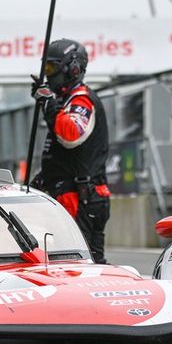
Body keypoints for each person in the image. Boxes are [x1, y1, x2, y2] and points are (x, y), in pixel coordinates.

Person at [30, 38, 112, 263]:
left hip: (81, 196)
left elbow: (70, 135)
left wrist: (48, 105)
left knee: (81, 264)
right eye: (45, 68)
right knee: (69, 262)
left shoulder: (81, 100)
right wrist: (46, 176)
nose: (47, 75)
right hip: (69, 193)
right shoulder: (65, 101)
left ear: (72, 68)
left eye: (51, 68)